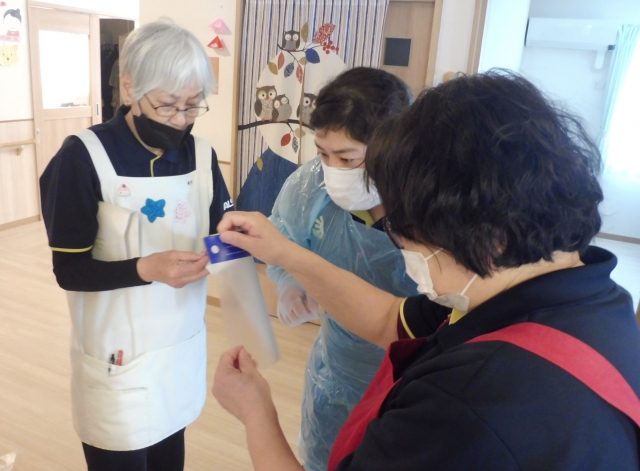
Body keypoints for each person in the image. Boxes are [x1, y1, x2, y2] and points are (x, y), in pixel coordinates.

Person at [212, 71, 640, 470]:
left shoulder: (459, 403)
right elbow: (389, 320)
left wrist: (255, 411)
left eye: (407, 231)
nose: (400, 243)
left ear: (485, 237)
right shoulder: (591, 300)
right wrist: (286, 253)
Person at [39, 21, 233, 471]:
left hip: (179, 351)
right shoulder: (82, 157)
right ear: (130, 88)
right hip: (116, 364)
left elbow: (223, 241)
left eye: (193, 105)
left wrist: (237, 248)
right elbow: (70, 271)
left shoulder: (201, 155)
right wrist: (145, 268)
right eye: (168, 106)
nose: (182, 120)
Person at [266, 67, 417, 471]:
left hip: (412, 382)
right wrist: (291, 286)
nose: (332, 170)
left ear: (391, 147)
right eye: (322, 154)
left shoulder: (426, 204)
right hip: (336, 371)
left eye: (348, 158)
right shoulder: (311, 188)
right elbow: (285, 240)